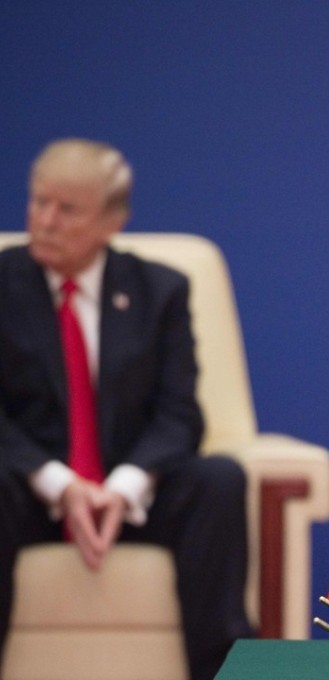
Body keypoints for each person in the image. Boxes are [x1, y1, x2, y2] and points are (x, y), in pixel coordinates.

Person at [0, 139, 253, 680]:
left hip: (130, 498)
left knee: (219, 480)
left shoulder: (160, 291)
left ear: (112, 221)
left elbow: (180, 415)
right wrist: (61, 485)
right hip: (26, 494)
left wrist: (122, 487)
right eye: (38, 202)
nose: (44, 221)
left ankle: (227, 672)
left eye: (67, 209)